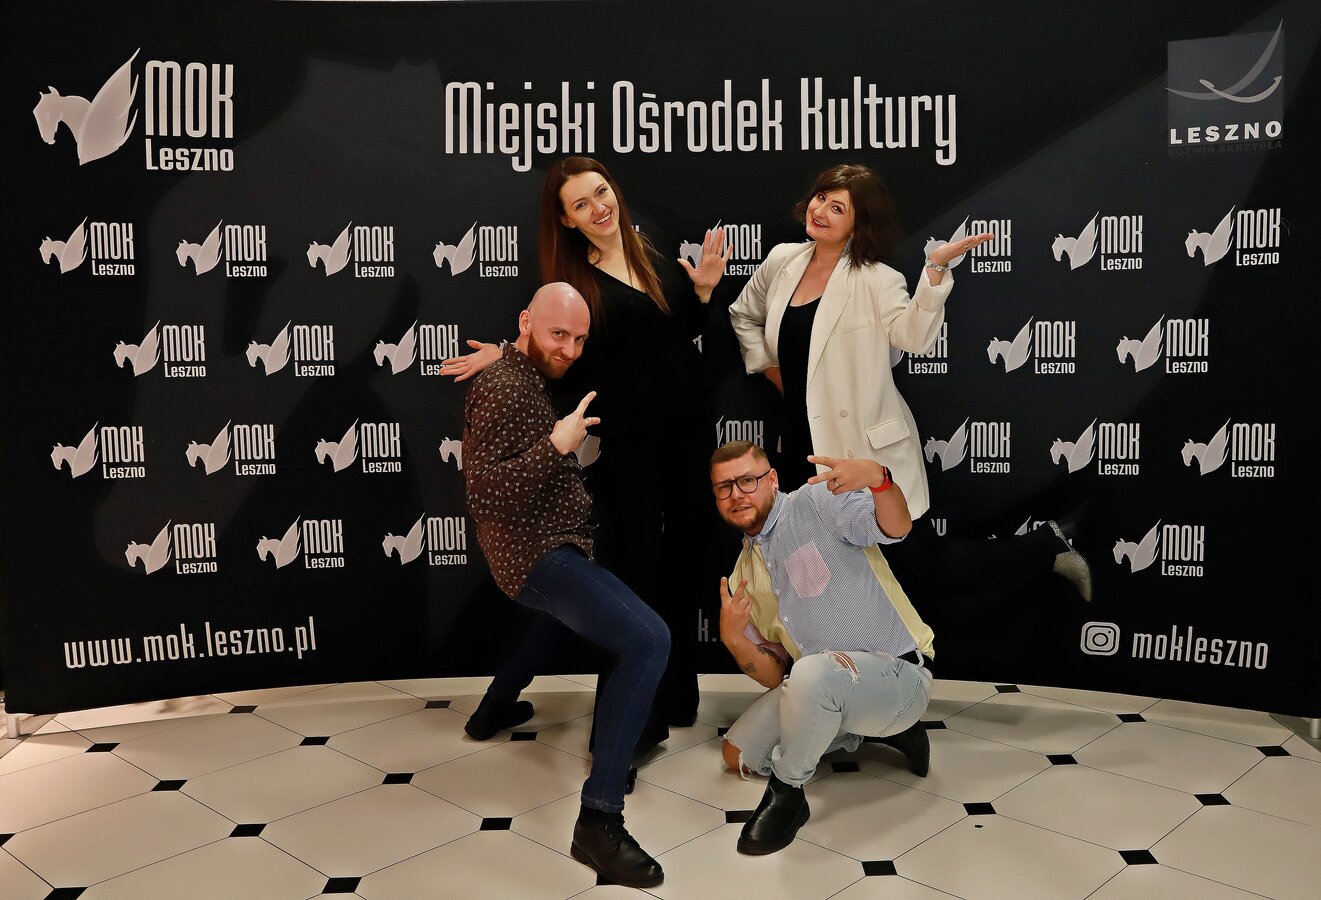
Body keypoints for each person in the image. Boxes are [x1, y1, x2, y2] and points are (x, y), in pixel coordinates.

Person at [727, 164, 1091, 649]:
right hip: (799, 446)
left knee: (919, 565)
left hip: (866, 450)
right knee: (821, 571)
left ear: (860, 224)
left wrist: (935, 271)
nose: (820, 211)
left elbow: (914, 337)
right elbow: (743, 314)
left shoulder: (877, 279)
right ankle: (837, 670)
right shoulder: (782, 262)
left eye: (838, 208)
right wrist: (771, 368)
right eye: (819, 198)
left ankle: (1046, 547)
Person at [446, 156, 731, 732]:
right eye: (581, 204)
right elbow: (557, 350)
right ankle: (635, 721)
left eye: (602, 192)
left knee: (684, 568)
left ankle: (676, 700)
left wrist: (701, 294)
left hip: (688, 441)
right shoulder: (577, 284)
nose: (599, 207)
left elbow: (673, 336)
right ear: (567, 220)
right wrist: (507, 352)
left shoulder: (651, 254)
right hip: (631, 450)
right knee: (638, 576)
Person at [462, 282, 669, 887]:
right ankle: (598, 821)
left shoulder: (523, 370)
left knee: (562, 619)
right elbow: (484, 495)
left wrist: (508, 351)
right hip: (537, 556)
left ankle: (493, 709)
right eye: (559, 335)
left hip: (553, 546)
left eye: (579, 339)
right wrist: (558, 446)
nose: (570, 350)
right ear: (526, 321)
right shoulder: (503, 387)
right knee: (648, 640)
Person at [710, 439, 933, 855]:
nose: (737, 494)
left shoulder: (815, 504)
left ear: (772, 480)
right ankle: (863, 733)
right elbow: (775, 677)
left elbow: (897, 528)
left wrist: (881, 481)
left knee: (810, 672)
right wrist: (735, 641)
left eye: (747, 480)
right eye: (725, 487)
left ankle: (788, 795)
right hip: (823, 686)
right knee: (737, 754)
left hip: (899, 675)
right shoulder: (743, 575)